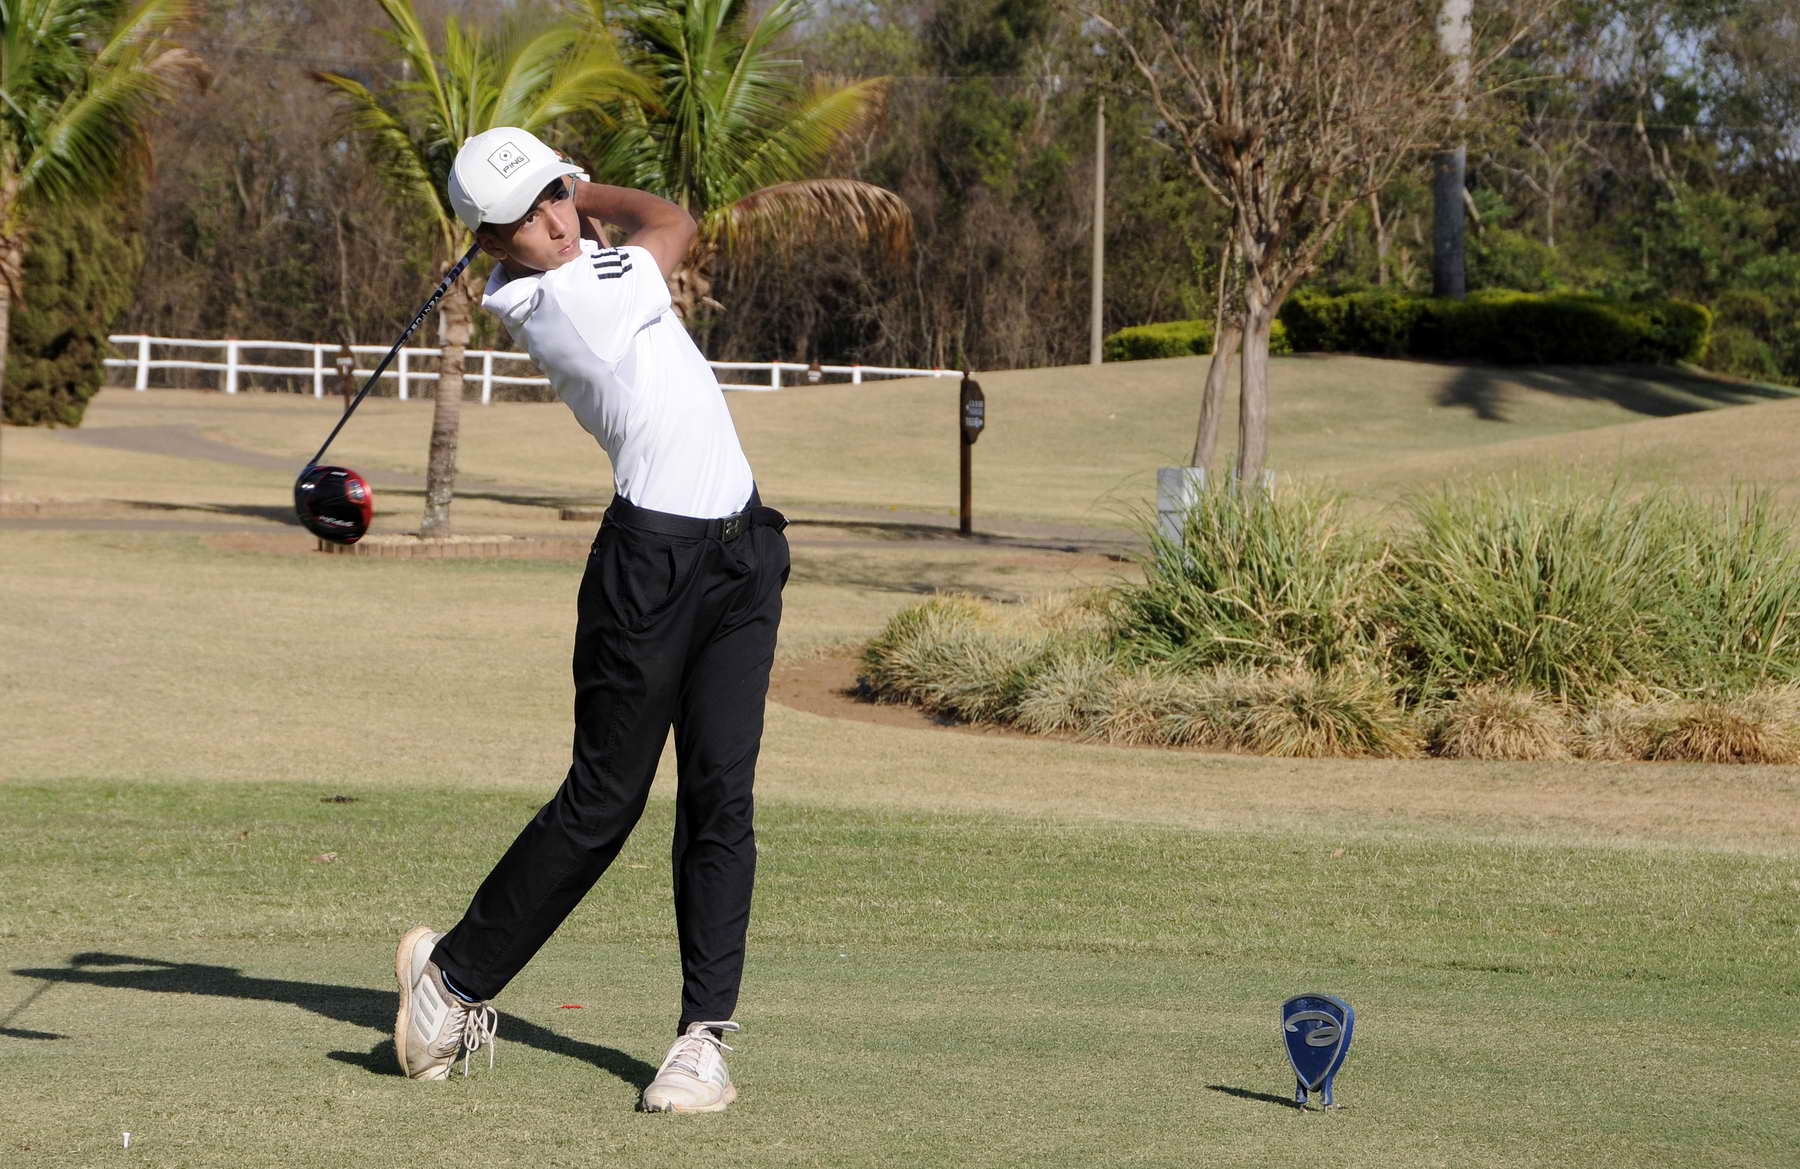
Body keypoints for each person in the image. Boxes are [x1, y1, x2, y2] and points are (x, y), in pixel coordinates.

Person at [391, 127, 789, 1114]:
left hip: (742, 550)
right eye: (528, 216)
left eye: (556, 198)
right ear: (494, 241)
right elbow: (672, 220)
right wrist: (589, 183)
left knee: (721, 799)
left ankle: (703, 1038)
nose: (557, 221)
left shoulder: (580, 264)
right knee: (605, 802)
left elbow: (645, 231)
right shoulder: (568, 299)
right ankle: (453, 979)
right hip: (650, 564)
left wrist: (564, 185)